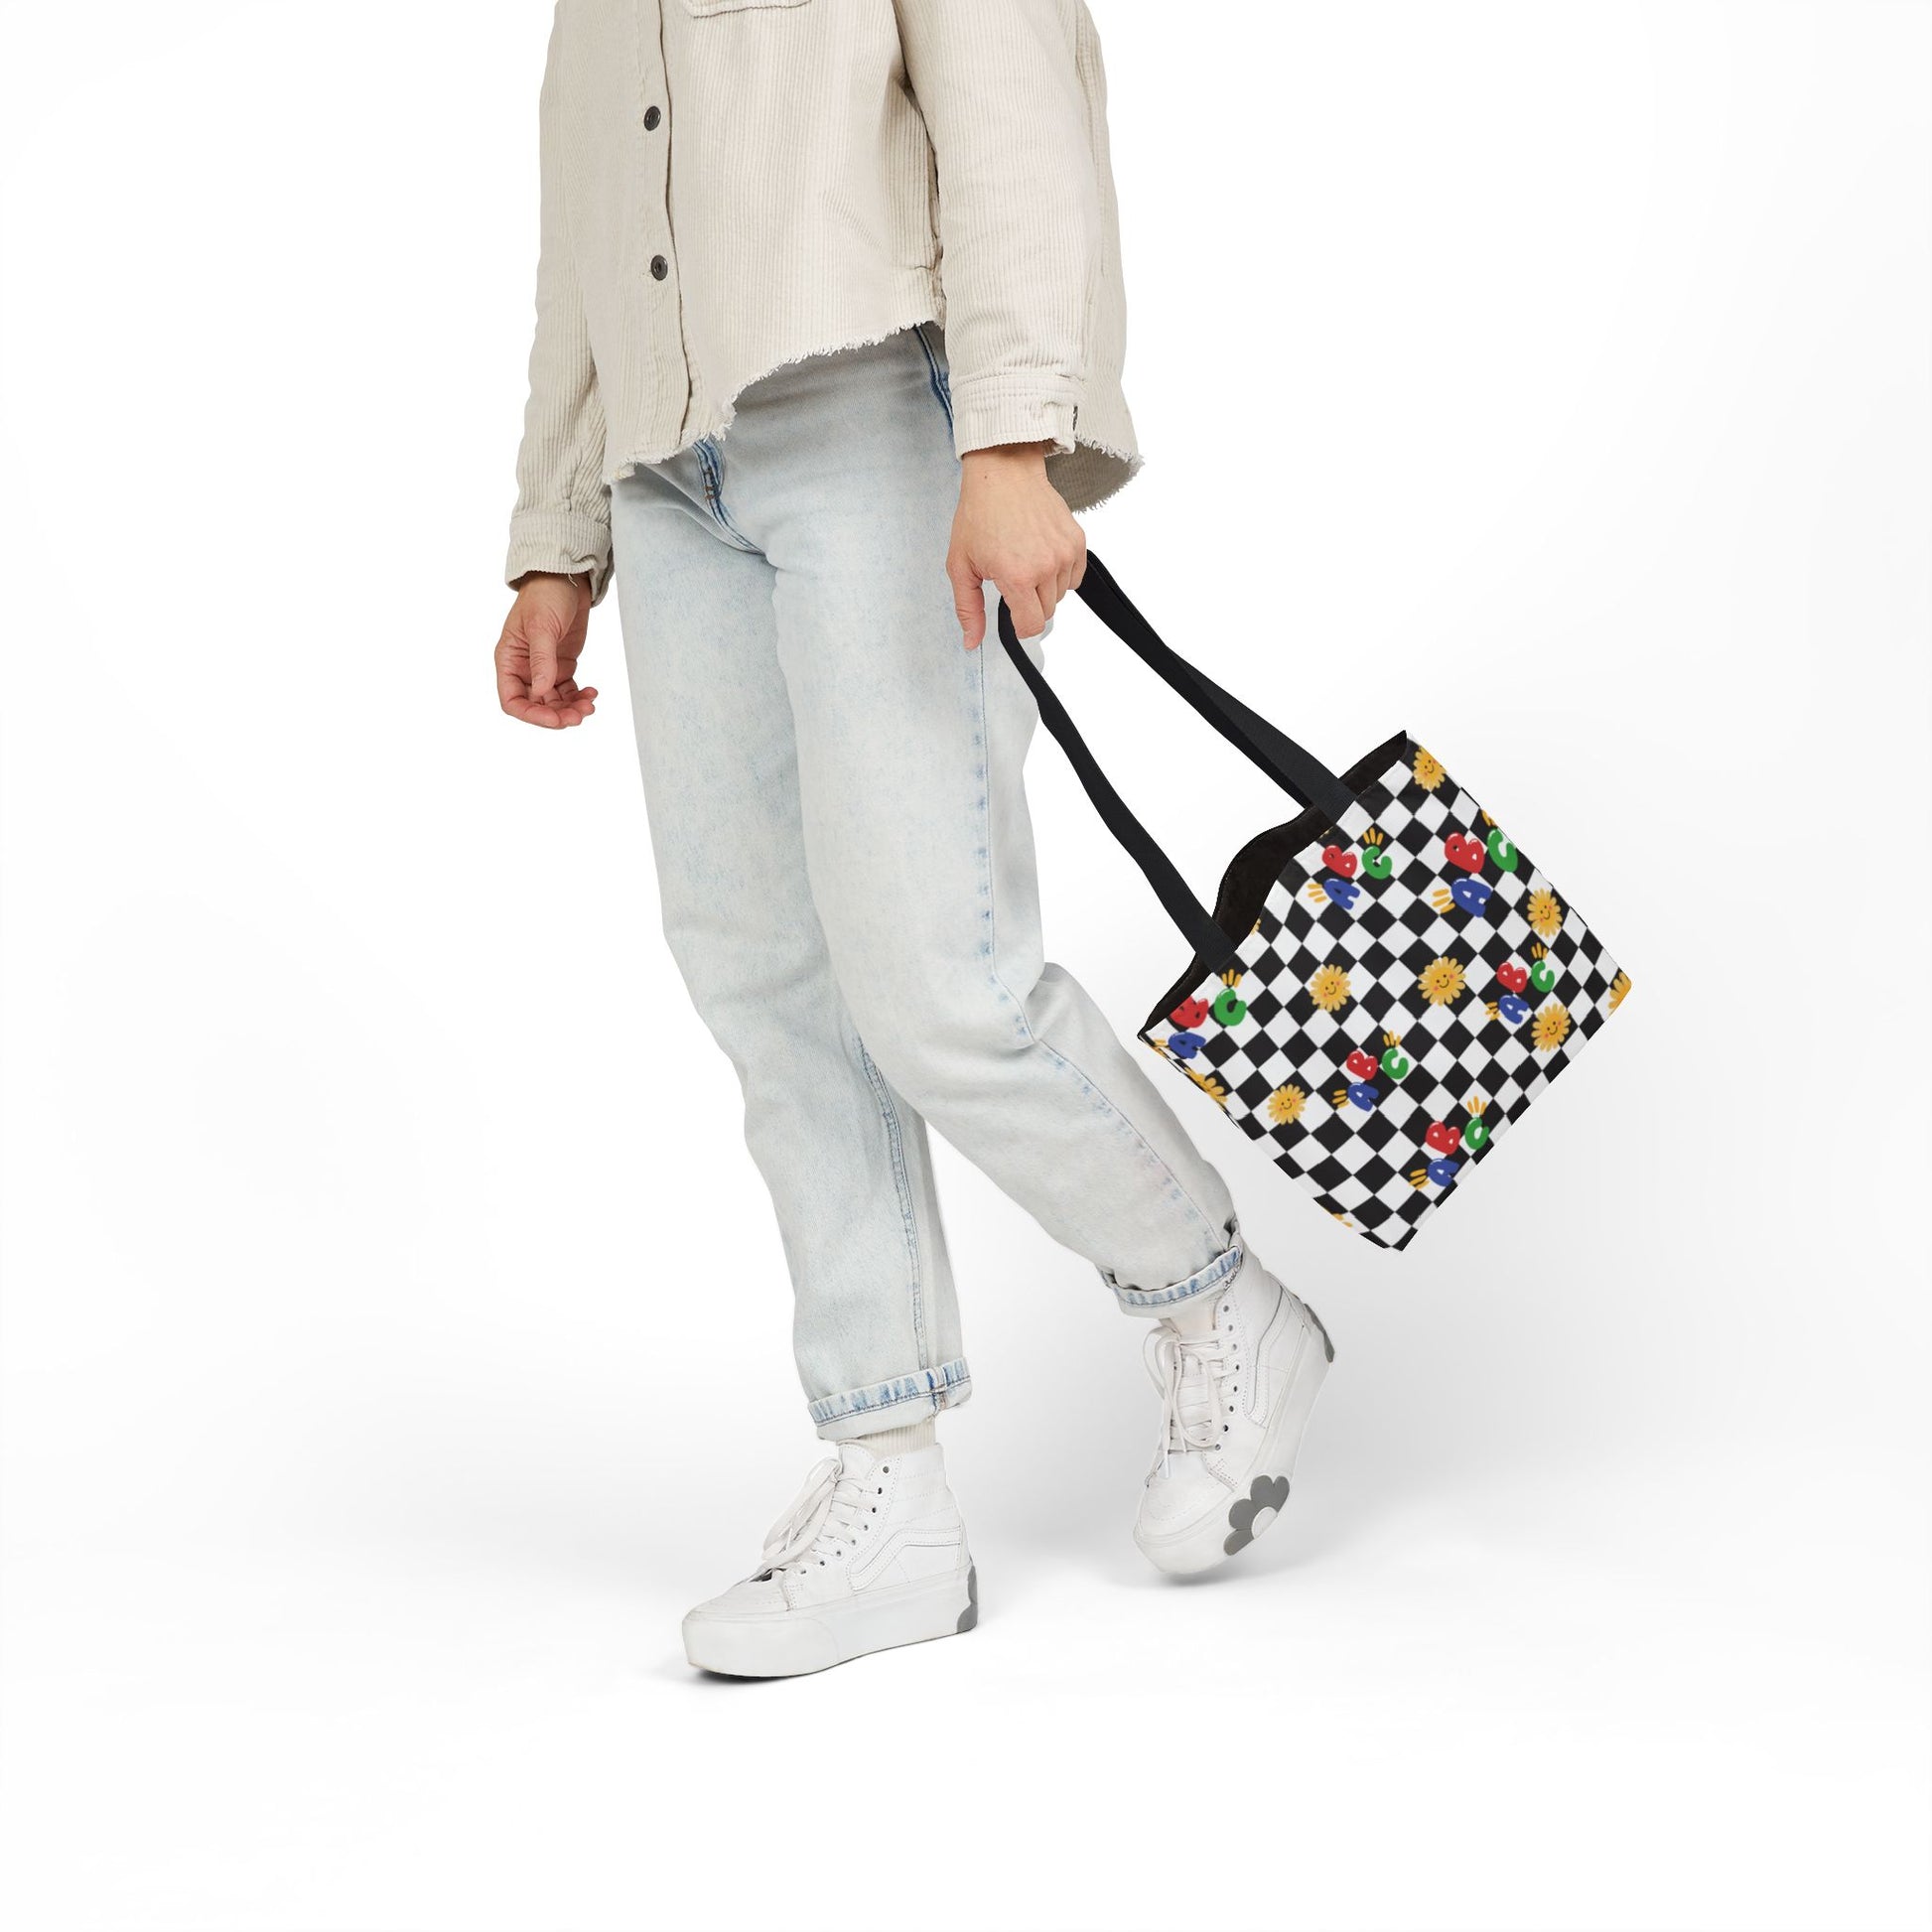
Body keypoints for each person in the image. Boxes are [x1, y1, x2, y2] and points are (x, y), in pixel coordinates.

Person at [494, 0, 1333, 1678]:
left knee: (938, 980)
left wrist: (1009, 438)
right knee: (767, 987)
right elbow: (583, 222)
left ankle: (1212, 1295)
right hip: (667, 475)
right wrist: (553, 535)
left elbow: (1014, 113)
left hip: (868, 414)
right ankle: (886, 1474)